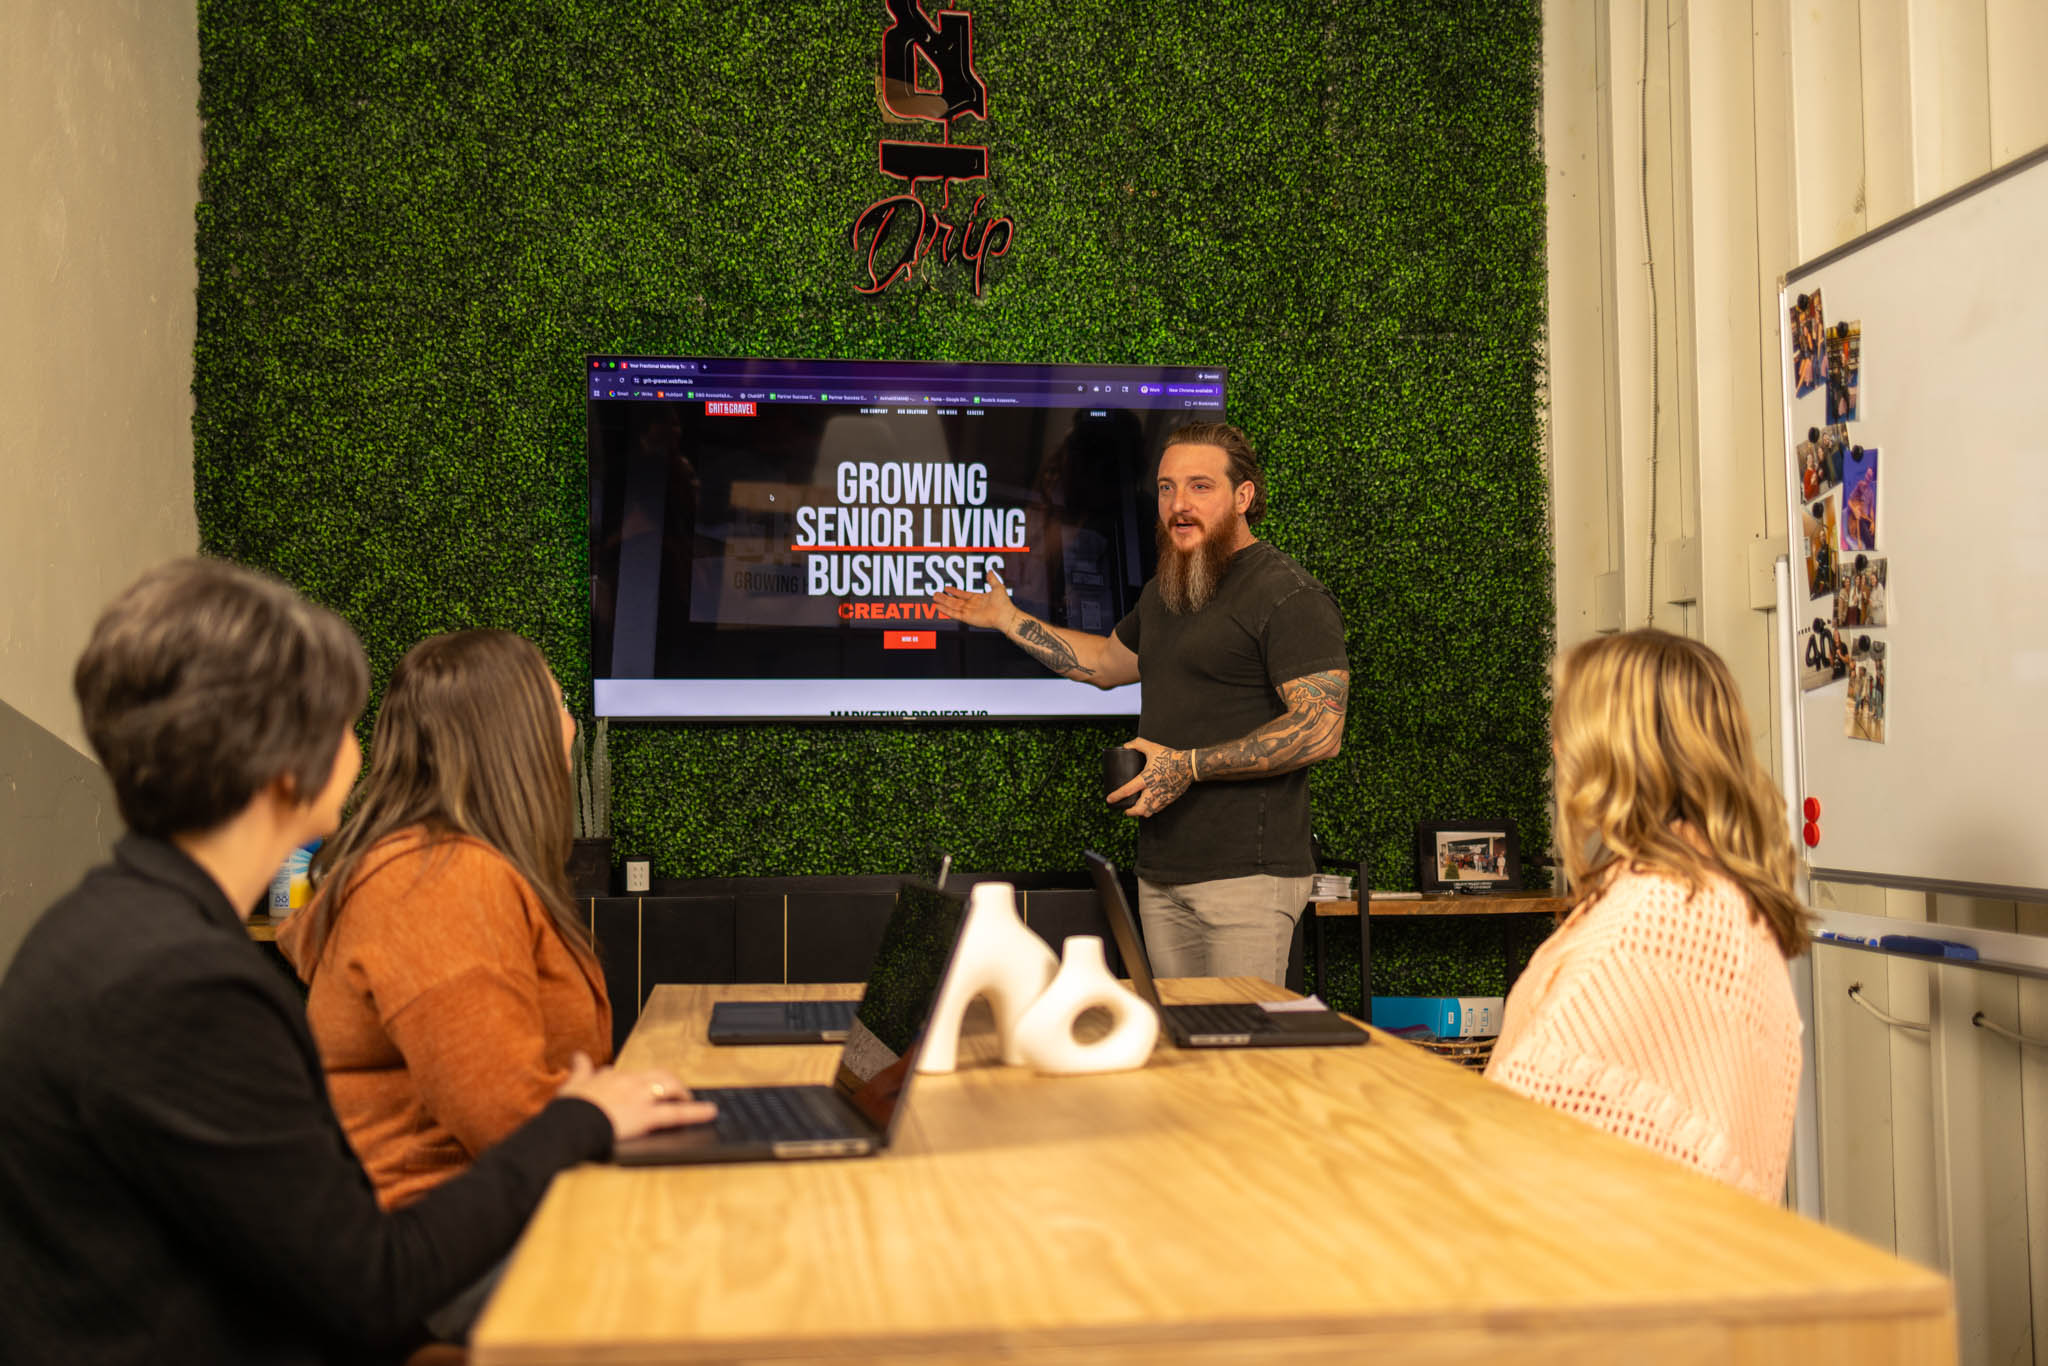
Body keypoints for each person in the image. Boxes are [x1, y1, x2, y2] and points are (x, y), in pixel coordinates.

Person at [0, 558, 715, 1364]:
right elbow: (372, 1284)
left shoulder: (118, 931)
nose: (363, 745)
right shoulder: (183, 985)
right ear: (286, 759)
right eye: (344, 721)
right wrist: (583, 1116)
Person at [933, 422, 1348, 985]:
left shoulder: (1288, 594)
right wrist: (1009, 619)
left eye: (1200, 487)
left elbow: (1320, 728)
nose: (1179, 504)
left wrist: (1189, 766)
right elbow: (1105, 664)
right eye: (1166, 488)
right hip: (1161, 874)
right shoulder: (1167, 591)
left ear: (1243, 496)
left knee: (1233, 1056)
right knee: (1178, 1055)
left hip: (1247, 880)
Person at [278, 630, 615, 1221]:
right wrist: (610, 1110)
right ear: (514, 737)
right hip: (444, 1241)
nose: (570, 726)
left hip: (495, 1209)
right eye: (560, 706)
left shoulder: (458, 868)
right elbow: (506, 1119)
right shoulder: (442, 881)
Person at [1484, 630, 1808, 1202]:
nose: (1558, 750)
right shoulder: (1697, 889)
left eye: (1570, 729)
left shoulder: (1662, 916)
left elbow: (1526, 1134)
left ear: (1618, 753)